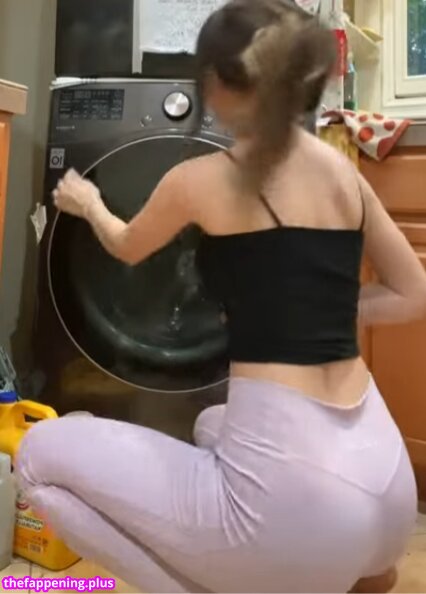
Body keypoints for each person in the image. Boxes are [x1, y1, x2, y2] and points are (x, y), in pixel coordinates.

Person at [15, 0, 425, 592]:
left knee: (37, 457)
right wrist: (307, 309)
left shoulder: (201, 179)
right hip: (386, 488)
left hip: (299, 510)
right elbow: (414, 293)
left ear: (222, 87)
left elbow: (127, 247)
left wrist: (89, 204)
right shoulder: (342, 173)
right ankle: (358, 573)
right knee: (211, 421)